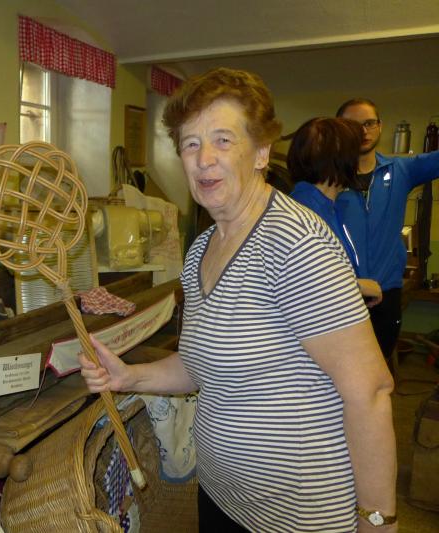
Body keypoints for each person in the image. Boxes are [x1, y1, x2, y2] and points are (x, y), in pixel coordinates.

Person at [79, 68, 397, 532]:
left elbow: (369, 390)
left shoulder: (295, 243)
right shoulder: (201, 250)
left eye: (223, 140)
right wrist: (128, 376)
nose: (204, 158)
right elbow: (202, 364)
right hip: (222, 498)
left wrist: (377, 519)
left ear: (261, 152)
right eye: (190, 144)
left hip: (295, 516)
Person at [335, 98, 439, 360]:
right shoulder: (327, 179)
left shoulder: (400, 170)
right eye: (353, 125)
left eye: (369, 123)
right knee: (334, 371)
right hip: (338, 292)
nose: (363, 131)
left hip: (385, 294)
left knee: (378, 367)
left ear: (380, 126)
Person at [288, 117, 383, 307]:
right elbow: (305, 284)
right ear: (341, 160)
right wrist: (358, 286)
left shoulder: (328, 207)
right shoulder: (305, 215)